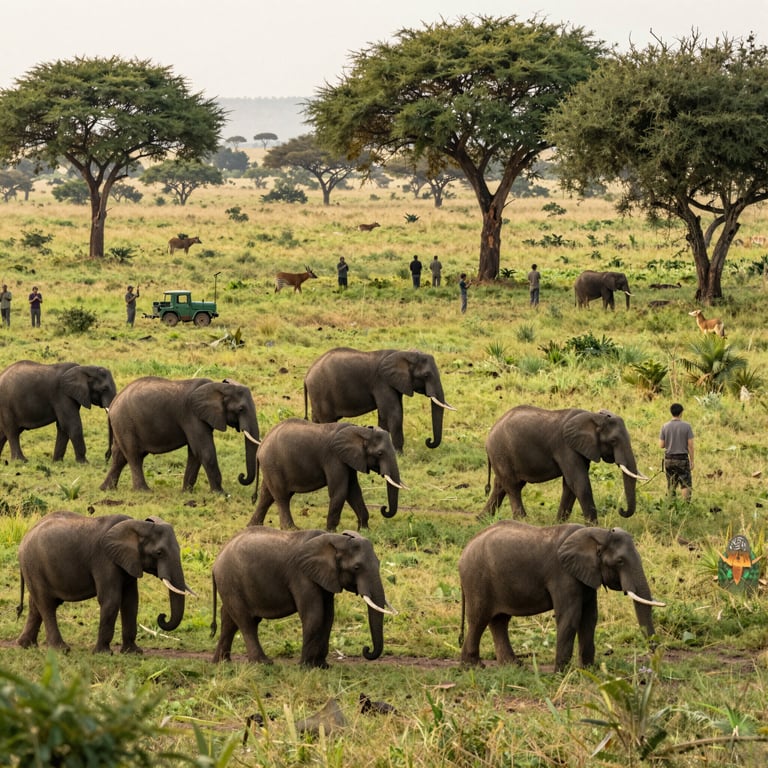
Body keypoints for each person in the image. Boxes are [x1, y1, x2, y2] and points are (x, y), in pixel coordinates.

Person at [659, 403, 694, 501]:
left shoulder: (665, 426)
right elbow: (690, 445)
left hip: (669, 459)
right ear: (681, 413)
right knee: (685, 483)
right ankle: (685, 505)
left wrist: (671, 442)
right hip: (682, 459)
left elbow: (661, 445)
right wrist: (692, 460)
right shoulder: (687, 426)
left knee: (671, 483)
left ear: (671, 412)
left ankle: (671, 504)